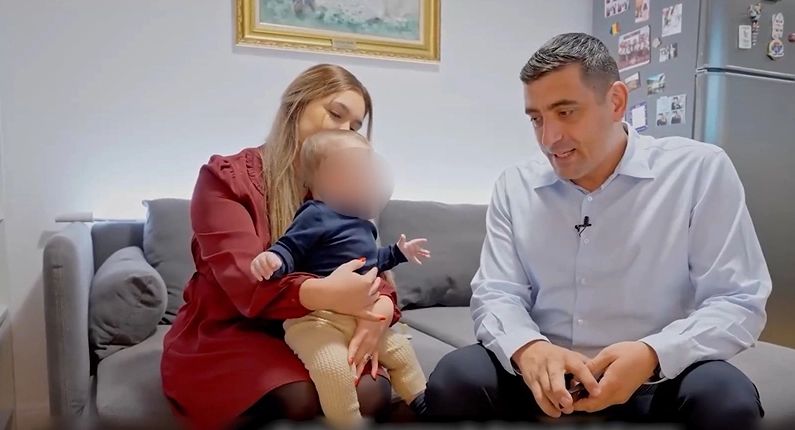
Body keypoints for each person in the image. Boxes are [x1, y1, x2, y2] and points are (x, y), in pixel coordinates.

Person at [425, 33, 769, 430]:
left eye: (566, 112)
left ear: (616, 102)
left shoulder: (699, 171)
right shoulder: (515, 185)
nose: (549, 139)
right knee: (455, 378)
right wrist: (529, 347)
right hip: (543, 375)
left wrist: (652, 353)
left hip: (657, 374)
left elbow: (737, 298)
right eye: (536, 119)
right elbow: (497, 292)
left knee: (727, 400)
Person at [161, 64, 402, 430]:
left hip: (322, 325)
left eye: (354, 127)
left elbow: (369, 264)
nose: (343, 132)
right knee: (300, 396)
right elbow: (245, 282)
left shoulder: (344, 192)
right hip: (234, 329)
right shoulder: (224, 179)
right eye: (336, 114)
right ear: (296, 104)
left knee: (371, 392)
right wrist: (327, 293)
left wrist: (381, 309)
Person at [251, 130, 430, 427]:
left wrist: (399, 252)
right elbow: (291, 247)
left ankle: (422, 400)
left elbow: (373, 261)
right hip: (315, 320)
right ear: (323, 181)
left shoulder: (362, 223)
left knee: (400, 350)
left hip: (358, 316)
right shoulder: (315, 213)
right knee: (333, 368)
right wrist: (274, 259)